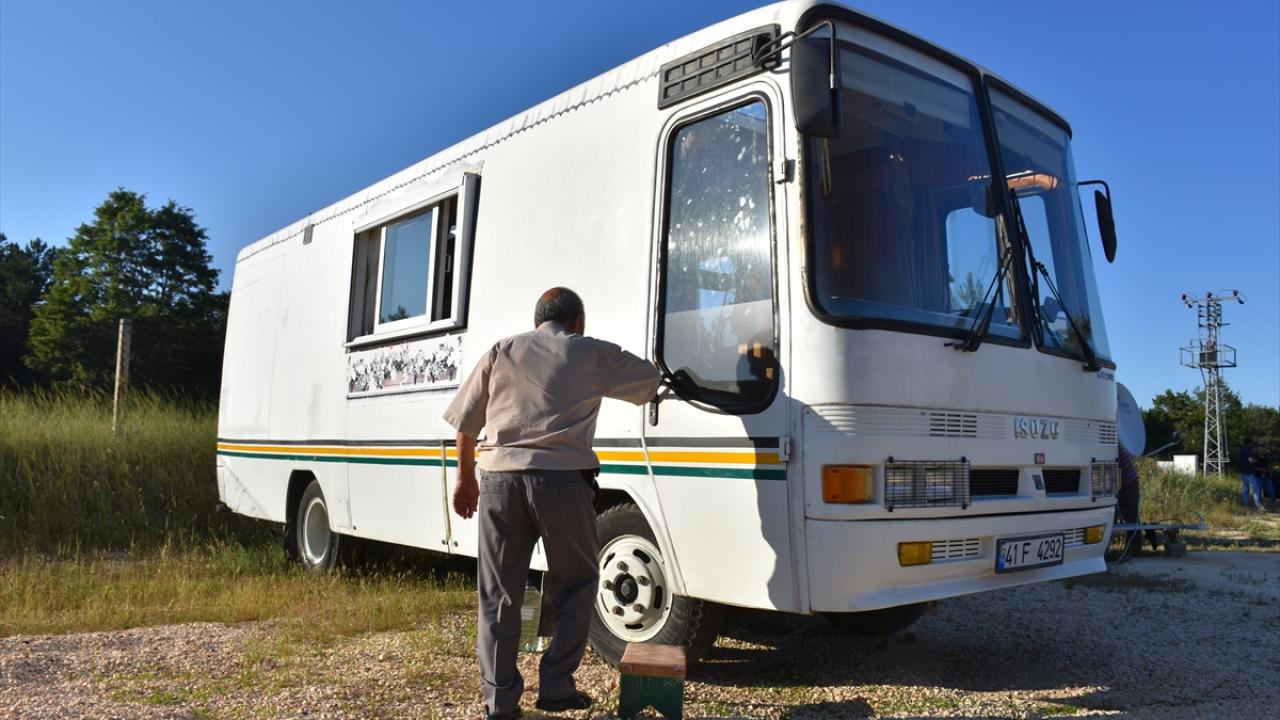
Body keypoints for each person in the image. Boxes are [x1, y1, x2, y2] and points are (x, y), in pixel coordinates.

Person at [443, 287, 662, 720]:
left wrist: (465, 480)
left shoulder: (502, 350)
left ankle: (499, 704)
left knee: (499, 595)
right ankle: (557, 687)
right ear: (577, 320)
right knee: (576, 584)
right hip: (563, 485)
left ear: (537, 317)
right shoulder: (590, 352)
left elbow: (466, 425)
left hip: (500, 483)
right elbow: (649, 382)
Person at [1116, 445, 1159, 552]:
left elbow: (1116, 472)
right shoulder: (1108, 443)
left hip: (1128, 482)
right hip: (1121, 481)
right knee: (1125, 515)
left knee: (1131, 516)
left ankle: (1134, 549)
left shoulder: (1110, 446)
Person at [1236, 439, 1264, 510]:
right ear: (1250, 443)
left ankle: (1246, 505)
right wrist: (1256, 460)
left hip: (1241, 472)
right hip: (1249, 472)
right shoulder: (1248, 450)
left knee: (1245, 489)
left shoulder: (1239, 450)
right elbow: (1251, 460)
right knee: (1255, 489)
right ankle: (1258, 505)